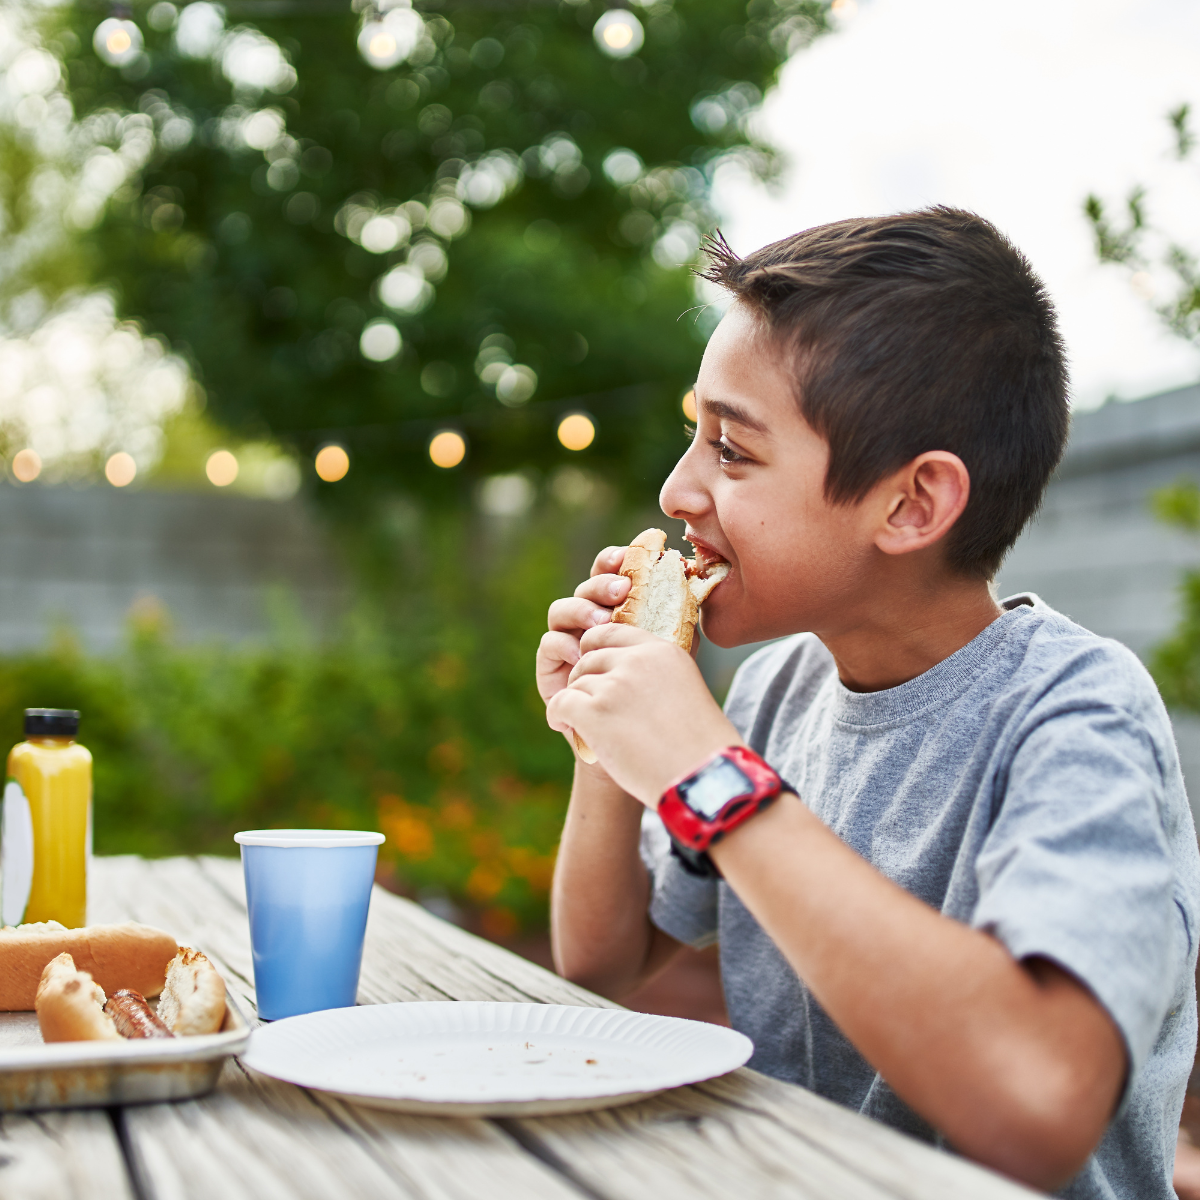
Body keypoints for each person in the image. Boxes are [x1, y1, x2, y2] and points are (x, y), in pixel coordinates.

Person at [535, 208, 1200, 1199]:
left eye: (733, 451)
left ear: (912, 505)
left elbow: (1040, 1106)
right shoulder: (773, 694)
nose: (677, 491)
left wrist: (712, 778)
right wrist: (609, 727)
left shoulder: (1075, 713)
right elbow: (599, 963)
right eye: (694, 437)